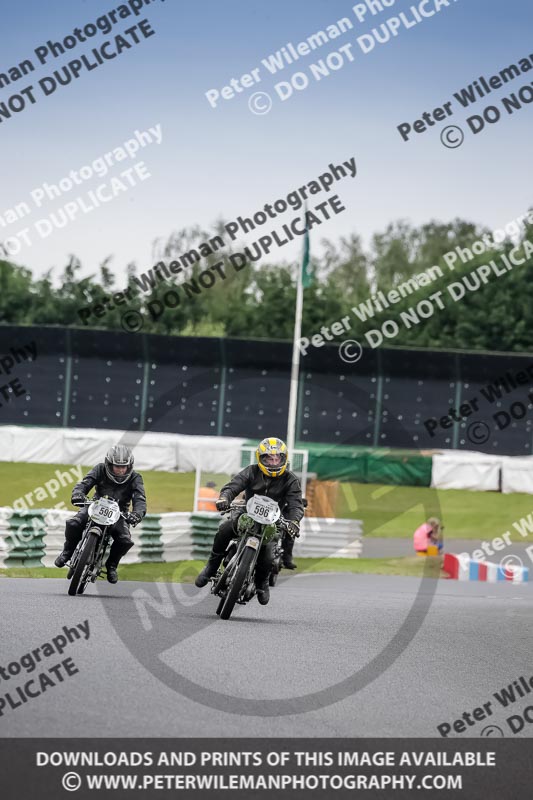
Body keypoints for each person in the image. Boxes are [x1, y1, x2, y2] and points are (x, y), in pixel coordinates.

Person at [194, 437, 304, 605]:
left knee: (269, 554)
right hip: (247, 513)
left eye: (277, 458)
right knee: (224, 529)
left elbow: (296, 504)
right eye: (269, 458)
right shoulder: (251, 471)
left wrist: (294, 521)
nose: (273, 462)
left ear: (284, 459)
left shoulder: (290, 479)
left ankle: (262, 584)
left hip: (272, 521)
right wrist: (224, 498)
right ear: (261, 458)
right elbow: (234, 485)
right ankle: (211, 567)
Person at [54, 444, 147, 583]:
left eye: (124, 467)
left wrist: (137, 514)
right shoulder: (99, 469)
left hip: (119, 512)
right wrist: (78, 494)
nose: (121, 470)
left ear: (129, 466)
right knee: (74, 523)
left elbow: (140, 499)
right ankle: (67, 552)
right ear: (109, 464)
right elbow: (85, 483)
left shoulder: (136, 478)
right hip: (95, 505)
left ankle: (111, 566)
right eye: (117, 466)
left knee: (125, 539)